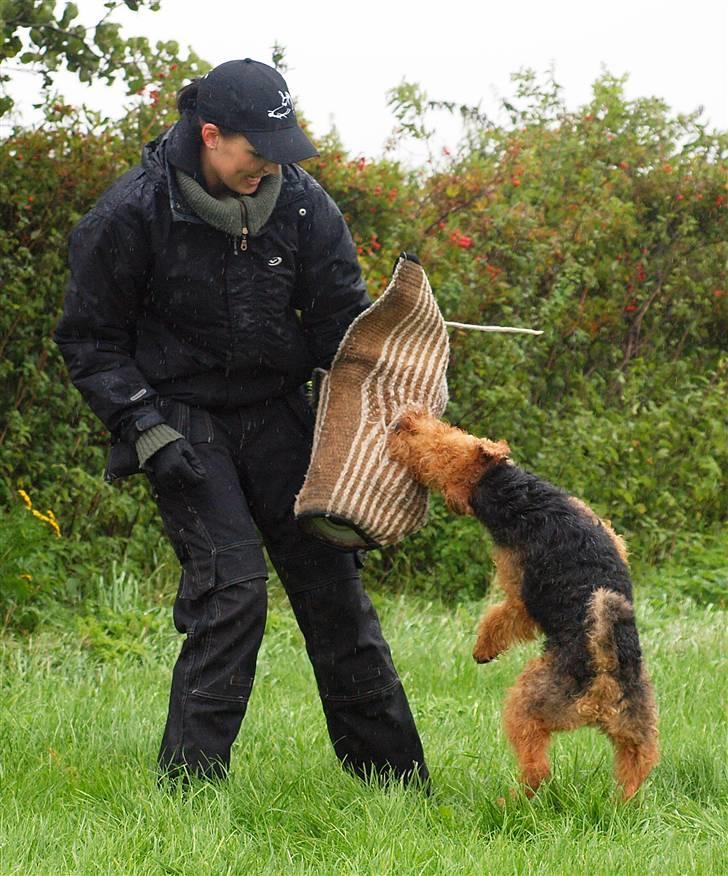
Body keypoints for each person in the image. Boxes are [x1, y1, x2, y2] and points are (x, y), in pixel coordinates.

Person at [54, 59, 428, 785]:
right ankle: (189, 796)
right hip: (178, 416)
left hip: (277, 413)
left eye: (282, 153)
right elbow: (89, 339)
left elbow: (337, 329)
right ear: (212, 134)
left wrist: (398, 354)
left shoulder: (304, 207)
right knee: (232, 590)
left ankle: (396, 787)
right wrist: (143, 428)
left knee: (333, 589)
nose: (271, 169)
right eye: (258, 154)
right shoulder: (129, 213)